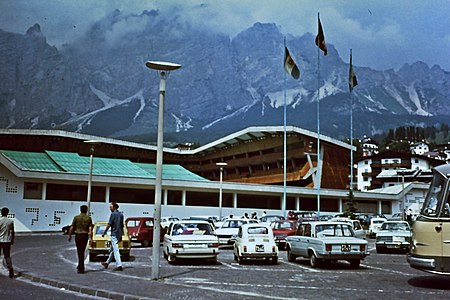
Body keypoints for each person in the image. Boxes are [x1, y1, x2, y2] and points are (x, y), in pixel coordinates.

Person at [68, 205, 93, 274]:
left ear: (80, 210)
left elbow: (72, 227)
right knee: (83, 250)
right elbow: (90, 229)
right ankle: (80, 266)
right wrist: (90, 238)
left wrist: (69, 235)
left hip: (78, 235)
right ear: (86, 210)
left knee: (79, 251)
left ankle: (81, 266)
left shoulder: (76, 217)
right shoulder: (89, 218)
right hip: (85, 235)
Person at [101, 202, 124, 271]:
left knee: (116, 250)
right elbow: (122, 225)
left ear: (114, 207)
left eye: (110, 207)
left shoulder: (113, 214)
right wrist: (121, 234)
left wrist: (104, 232)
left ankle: (119, 265)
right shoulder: (121, 214)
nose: (110, 209)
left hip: (114, 233)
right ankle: (107, 263)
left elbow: (109, 224)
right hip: (119, 233)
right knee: (113, 249)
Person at [0, 207, 15, 278]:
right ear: (7, 213)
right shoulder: (10, 221)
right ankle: (10, 269)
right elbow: (12, 231)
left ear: (1, 213)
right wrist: (12, 240)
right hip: (7, 241)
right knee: (7, 255)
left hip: (0, 240)